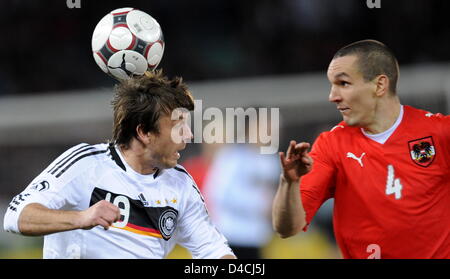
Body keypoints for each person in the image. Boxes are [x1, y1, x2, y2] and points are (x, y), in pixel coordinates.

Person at [3, 71, 235, 259]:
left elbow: (213, 251)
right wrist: (81, 218)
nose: (188, 134)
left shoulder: (180, 184)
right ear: (144, 132)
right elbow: (15, 216)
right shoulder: (85, 163)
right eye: (178, 126)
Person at [272, 40, 450, 259]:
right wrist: (289, 182)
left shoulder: (440, 133)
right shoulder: (331, 145)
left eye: (343, 83)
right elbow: (288, 229)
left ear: (379, 85)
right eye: (332, 85)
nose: (332, 96)